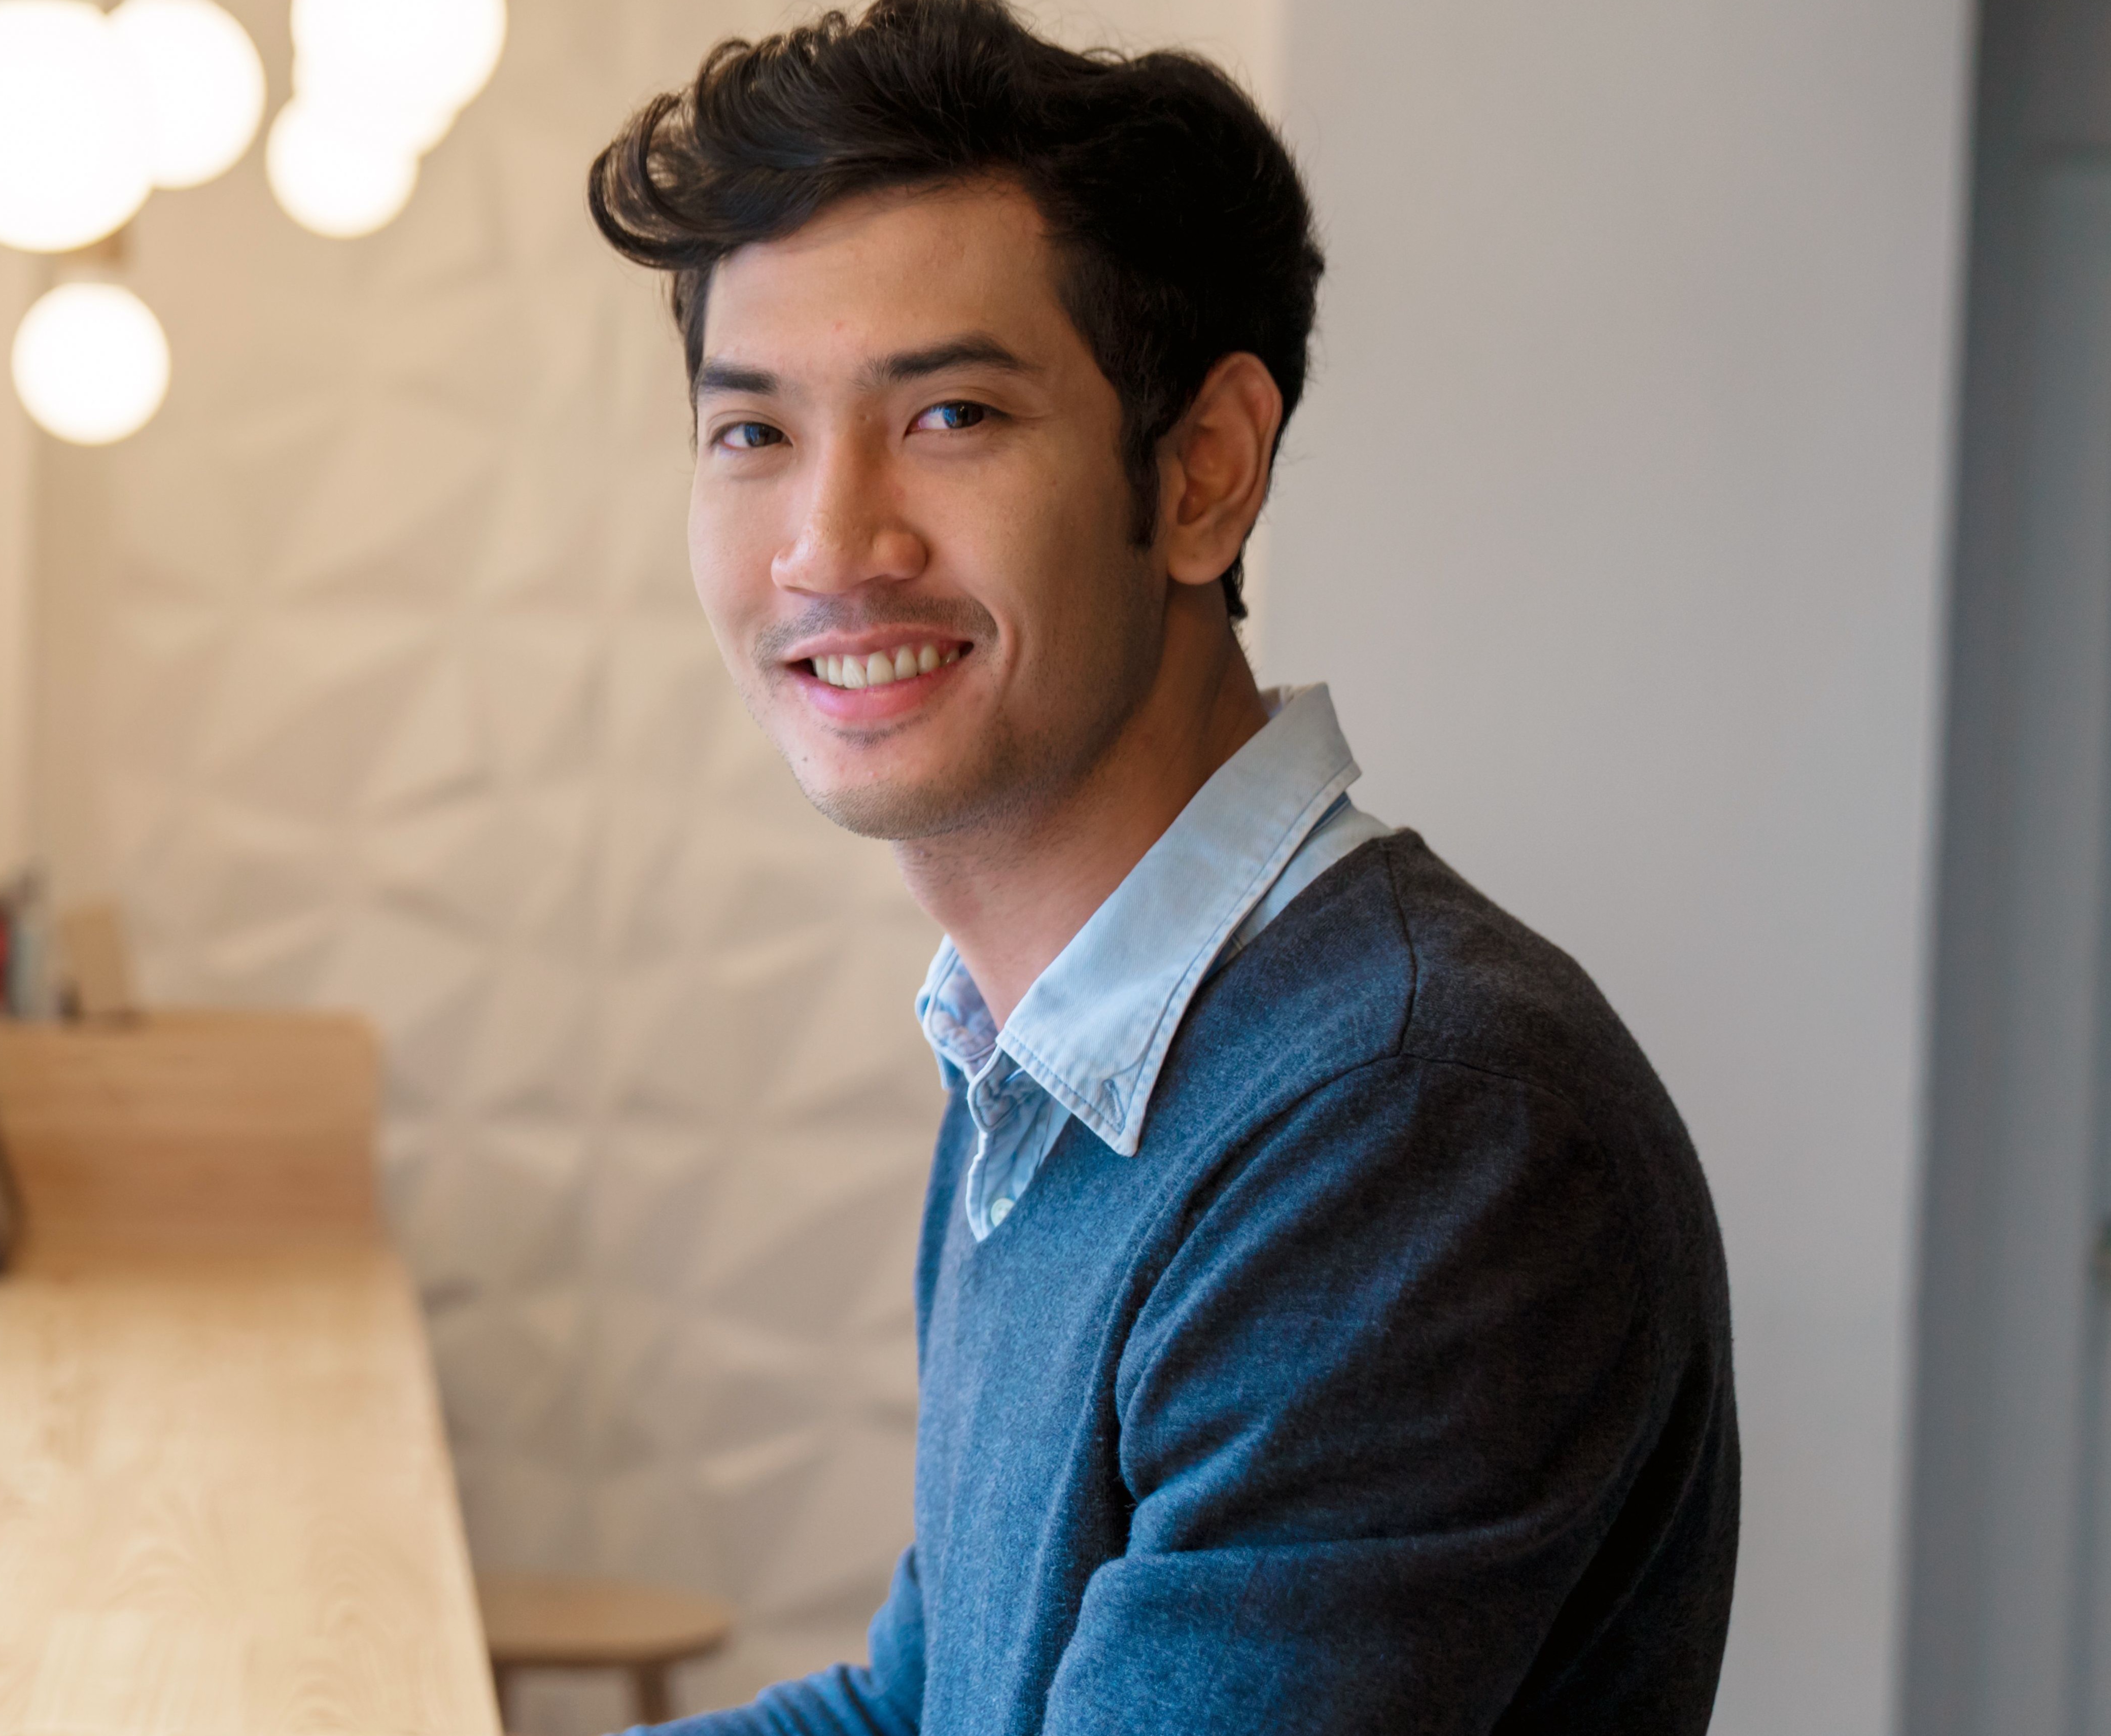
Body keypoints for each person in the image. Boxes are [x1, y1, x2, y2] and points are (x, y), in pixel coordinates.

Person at [583, 4, 1741, 1729]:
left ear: (1205, 474)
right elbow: (924, 1706)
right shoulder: (1046, 1055)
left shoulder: (1406, 1126)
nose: (829, 545)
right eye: (754, 433)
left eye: (952, 413)